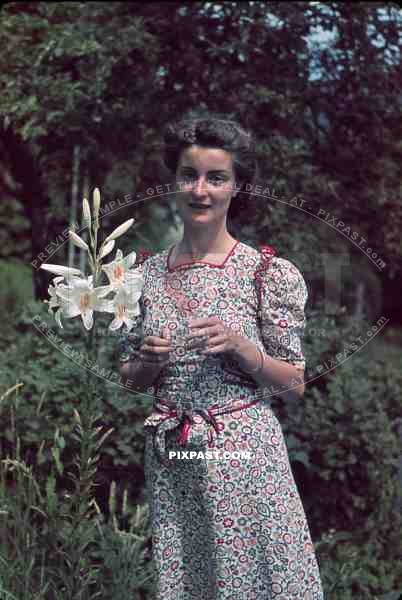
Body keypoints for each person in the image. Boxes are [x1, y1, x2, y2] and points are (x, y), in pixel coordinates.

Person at [118, 114, 324, 599]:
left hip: (245, 456)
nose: (200, 189)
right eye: (189, 175)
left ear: (237, 187)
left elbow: (294, 383)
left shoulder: (266, 273)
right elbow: (130, 378)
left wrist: (242, 347)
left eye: (216, 178)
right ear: (173, 181)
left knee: (255, 579)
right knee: (191, 580)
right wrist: (148, 361)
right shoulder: (140, 276)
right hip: (175, 455)